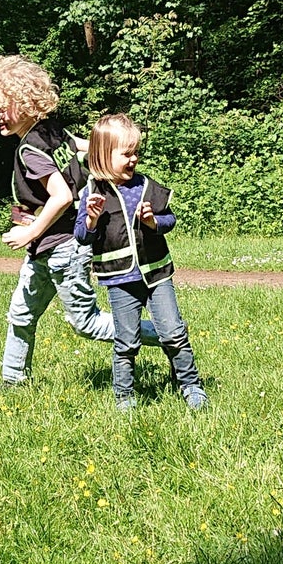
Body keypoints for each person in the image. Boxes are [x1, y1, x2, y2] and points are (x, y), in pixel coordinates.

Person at [0, 56, 152, 387]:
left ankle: (166, 333)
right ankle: (12, 384)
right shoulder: (51, 130)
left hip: (61, 250)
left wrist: (30, 229)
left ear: (25, 104)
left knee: (86, 323)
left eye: (2, 108)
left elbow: (59, 196)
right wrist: (110, 152)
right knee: (21, 314)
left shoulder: (31, 149)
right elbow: (85, 147)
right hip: (45, 250)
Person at [73, 113, 208, 413]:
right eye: (126, 154)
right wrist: (92, 220)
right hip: (120, 279)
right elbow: (81, 236)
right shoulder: (93, 192)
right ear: (102, 156)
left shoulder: (147, 185)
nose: (133, 159)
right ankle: (124, 396)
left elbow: (169, 219)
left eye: (136, 152)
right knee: (127, 341)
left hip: (156, 273)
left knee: (173, 332)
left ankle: (191, 385)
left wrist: (152, 221)